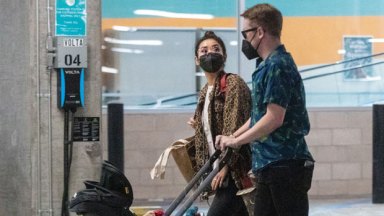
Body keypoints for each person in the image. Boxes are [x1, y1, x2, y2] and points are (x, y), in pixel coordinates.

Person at [215, 3, 315, 216]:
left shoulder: (277, 66)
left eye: (246, 33)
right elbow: (258, 116)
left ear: (260, 32)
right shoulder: (267, 66)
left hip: (285, 166)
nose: (245, 40)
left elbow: (274, 119)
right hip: (270, 166)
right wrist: (232, 136)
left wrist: (237, 141)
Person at [187, 31, 253, 216]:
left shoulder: (233, 83)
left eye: (216, 49)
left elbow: (234, 128)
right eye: (204, 50)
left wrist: (225, 167)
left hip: (236, 171)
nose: (210, 53)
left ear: (224, 56)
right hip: (218, 170)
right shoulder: (204, 92)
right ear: (196, 59)